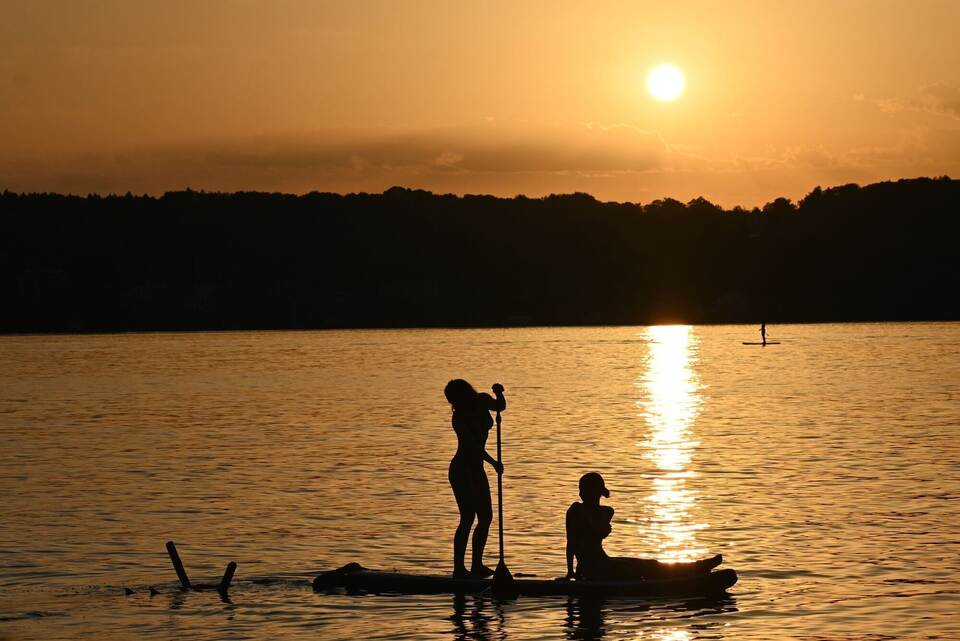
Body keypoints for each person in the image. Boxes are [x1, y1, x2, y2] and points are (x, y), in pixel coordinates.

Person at [564, 472, 722, 581]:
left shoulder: (606, 512)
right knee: (645, 568)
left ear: (596, 491)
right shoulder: (575, 511)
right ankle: (695, 570)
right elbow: (571, 543)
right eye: (580, 490)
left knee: (651, 564)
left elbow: (599, 529)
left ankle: (695, 568)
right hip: (590, 571)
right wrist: (570, 571)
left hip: (604, 563)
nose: (580, 494)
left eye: (584, 489)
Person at [444, 379, 506, 578]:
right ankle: (459, 569)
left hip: (476, 469)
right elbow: (473, 446)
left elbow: (500, 407)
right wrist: (494, 462)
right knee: (468, 518)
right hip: (462, 470)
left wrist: (499, 393)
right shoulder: (459, 418)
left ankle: (477, 565)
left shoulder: (482, 400)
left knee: (486, 517)